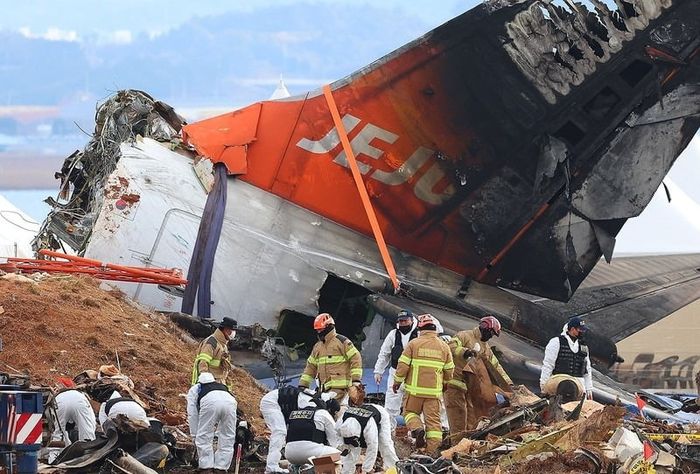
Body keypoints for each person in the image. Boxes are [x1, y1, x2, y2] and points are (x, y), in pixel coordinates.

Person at [393, 314, 454, 454]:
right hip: (433, 393)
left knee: (409, 412)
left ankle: (417, 429)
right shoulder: (444, 346)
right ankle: (432, 452)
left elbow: (403, 365)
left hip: (414, 392)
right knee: (433, 424)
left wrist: (397, 382)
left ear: (420, 328)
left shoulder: (414, 344)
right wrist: (445, 383)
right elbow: (450, 370)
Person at [445, 315, 513, 435]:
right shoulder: (464, 335)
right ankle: (456, 445)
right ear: (484, 327)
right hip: (455, 384)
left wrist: (509, 384)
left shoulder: (485, 348)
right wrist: (465, 352)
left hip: (471, 389)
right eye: (491, 333)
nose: (490, 336)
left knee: (473, 420)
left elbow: (496, 367)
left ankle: (468, 444)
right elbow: (451, 347)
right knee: (457, 418)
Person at [259, 386, 328, 474]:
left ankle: (296, 464)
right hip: (271, 403)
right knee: (280, 431)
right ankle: (271, 467)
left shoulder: (313, 399)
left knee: (290, 433)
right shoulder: (308, 402)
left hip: (279, 404)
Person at [299, 313, 362, 403]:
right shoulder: (317, 347)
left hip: (341, 390)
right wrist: (303, 385)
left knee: (334, 412)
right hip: (323, 390)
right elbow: (310, 367)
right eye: (318, 330)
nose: (319, 332)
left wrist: (356, 380)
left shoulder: (342, 342)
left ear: (329, 327)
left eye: (321, 329)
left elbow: (356, 358)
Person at [186, 372, 238, 473]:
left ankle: (206, 467)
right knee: (228, 435)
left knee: (204, 435)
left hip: (210, 402)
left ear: (199, 380)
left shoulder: (196, 388)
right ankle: (221, 467)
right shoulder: (222, 386)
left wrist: (195, 434)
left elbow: (192, 413)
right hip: (231, 403)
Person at [540, 316, 593, 401]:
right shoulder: (556, 342)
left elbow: (587, 370)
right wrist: (543, 386)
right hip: (559, 384)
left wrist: (589, 388)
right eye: (580, 330)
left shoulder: (584, 347)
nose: (583, 332)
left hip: (578, 387)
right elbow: (548, 365)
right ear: (572, 329)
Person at [337, 403, 398, 474]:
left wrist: (367, 469)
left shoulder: (369, 427)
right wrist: (343, 447)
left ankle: (395, 468)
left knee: (385, 444)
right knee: (352, 451)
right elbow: (336, 435)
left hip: (380, 414)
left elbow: (373, 447)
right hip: (362, 413)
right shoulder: (341, 421)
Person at [284, 400, 342, 467]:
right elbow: (335, 440)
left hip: (290, 455)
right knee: (339, 456)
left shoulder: (294, 413)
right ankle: (313, 470)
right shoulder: (323, 413)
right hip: (311, 454)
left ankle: (296, 467)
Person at [48, 389, 97, 462]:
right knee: (87, 432)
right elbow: (92, 425)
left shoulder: (60, 395)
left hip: (59, 402)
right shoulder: (83, 396)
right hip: (79, 400)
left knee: (57, 434)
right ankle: (89, 458)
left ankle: (53, 460)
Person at [191, 317, 238, 388]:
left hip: (218, 383)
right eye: (231, 331)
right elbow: (203, 363)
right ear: (225, 329)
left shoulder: (223, 345)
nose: (233, 334)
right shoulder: (211, 343)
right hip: (209, 384)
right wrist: (206, 384)